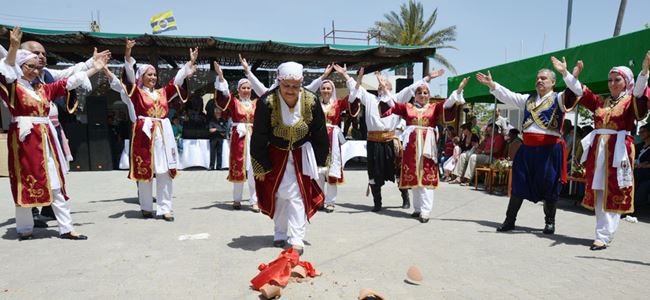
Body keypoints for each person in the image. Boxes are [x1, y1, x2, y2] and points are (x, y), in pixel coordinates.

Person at [0, 27, 108, 240]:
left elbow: (67, 82)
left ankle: (66, 227)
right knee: (25, 180)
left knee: (56, 181)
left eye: (35, 67)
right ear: (20, 67)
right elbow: (7, 69)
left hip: (47, 138)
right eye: (29, 66)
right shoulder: (12, 87)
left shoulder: (42, 89)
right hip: (24, 140)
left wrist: (94, 68)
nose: (34, 70)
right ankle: (24, 228)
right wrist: (13, 46)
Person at [475, 56, 583, 235]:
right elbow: (508, 95)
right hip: (527, 150)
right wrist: (492, 85)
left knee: (550, 185)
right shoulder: (527, 99)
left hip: (549, 151)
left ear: (553, 82)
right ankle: (510, 221)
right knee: (519, 183)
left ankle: (550, 222)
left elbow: (576, 90)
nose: (539, 81)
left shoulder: (560, 99)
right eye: (538, 79)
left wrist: (565, 72)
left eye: (544, 78)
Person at [104, 39, 196, 222]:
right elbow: (127, 79)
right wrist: (128, 55)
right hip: (144, 134)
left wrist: (189, 63)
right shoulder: (136, 92)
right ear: (141, 77)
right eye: (149, 74)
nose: (153, 77)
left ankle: (165, 208)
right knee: (146, 172)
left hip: (163, 134)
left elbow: (177, 80)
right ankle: (146, 207)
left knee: (164, 171)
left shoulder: (163, 92)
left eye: (154, 74)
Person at [567, 52, 650, 250]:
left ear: (626, 81)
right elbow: (582, 92)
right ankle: (601, 232)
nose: (612, 83)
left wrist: (644, 71)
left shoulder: (630, 101)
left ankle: (604, 235)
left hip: (619, 149)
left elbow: (640, 95)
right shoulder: (600, 102)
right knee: (598, 190)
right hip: (599, 150)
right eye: (610, 80)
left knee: (614, 190)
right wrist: (571, 76)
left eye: (617, 80)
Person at [333, 64, 442, 212]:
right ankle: (377, 203)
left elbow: (412, 89)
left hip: (391, 141)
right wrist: (346, 75)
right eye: (380, 86)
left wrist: (428, 78)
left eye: (385, 85)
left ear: (390, 89)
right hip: (373, 142)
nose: (381, 87)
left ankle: (405, 197)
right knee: (373, 173)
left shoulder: (396, 98)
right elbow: (356, 88)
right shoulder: (370, 99)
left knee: (397, 170)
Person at [250, 61, 329, 255]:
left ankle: (296, 238)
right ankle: (279, 233)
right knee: (278, 195)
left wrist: (321, 162)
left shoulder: (311, 101)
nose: (291, 91)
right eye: (286, 86)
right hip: (275, 155)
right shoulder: (266, 102)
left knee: (298, 196)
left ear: (301, 83)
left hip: (301, 155)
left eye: (295, 86)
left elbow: (319, 132)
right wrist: (260, 167)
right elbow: (259, 135)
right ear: (279, 82)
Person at [379, 71, 468, 222]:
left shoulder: (434, 108)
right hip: (411, 148)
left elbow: (448, 104)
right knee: (414, 177)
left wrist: (458, 91)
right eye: (419, 92)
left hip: (427, 146)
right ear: (415, 95)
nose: (422, 95)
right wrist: (385, 89)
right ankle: (418, 208)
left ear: (428, 95)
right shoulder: (407, 108)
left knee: (426, 177)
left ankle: (426, 211)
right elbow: (392, 104)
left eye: (425, 92)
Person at [303, 65, 360, 213]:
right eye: (323, 88)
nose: (326, 91)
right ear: (320, 90)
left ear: (332, 90)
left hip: (333, 140)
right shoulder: (314, 104)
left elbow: (353, 96)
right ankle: (319, 200)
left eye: (329, 88)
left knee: (332, 171)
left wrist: (346, 76)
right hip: (318, 139)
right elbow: (306, 91)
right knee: (319, 172)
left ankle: (330, 202)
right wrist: (324, 75)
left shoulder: (338, 104)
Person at [213, 57, 260, 212]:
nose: (246, 90)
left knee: (254, 169)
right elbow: (224, 94)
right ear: (238, 90)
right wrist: (221, 77)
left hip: (253, 137)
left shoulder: (256, 104)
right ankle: (237, 200)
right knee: (238, 167)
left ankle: (254, 200)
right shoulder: (234, 102)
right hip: (238, 138)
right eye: (243, 88)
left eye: (248, 88)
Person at [634, 124, 650, 211]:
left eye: (643, 132)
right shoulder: (639, 146)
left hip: (646, 172)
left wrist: (645, 165)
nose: (640, 134)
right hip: (637, 169)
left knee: (637, 174)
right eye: (639, 132)